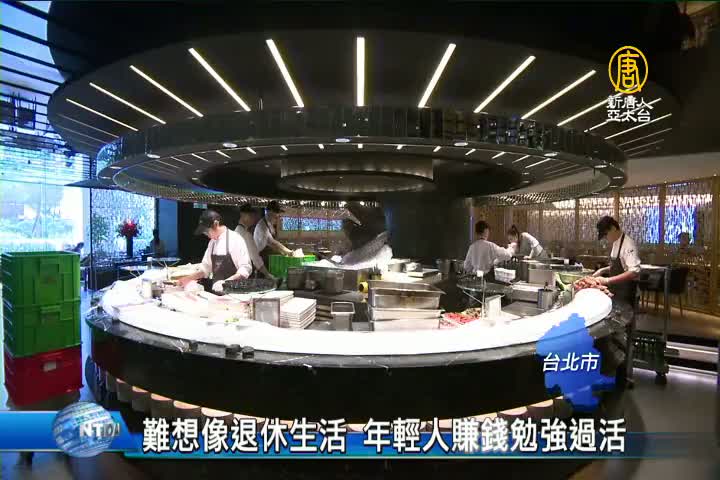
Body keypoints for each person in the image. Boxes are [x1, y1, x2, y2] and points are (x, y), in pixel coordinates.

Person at [177, 209, 252, 293]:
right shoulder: (212, 242)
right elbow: (205, 268)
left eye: (207, 231)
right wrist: (187, 279)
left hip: (234, 293)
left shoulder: (235, 239)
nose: (206, 235)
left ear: (216, 224)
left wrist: (226, 283)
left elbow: (245, 269)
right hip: (217, 293)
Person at [591, 216, 641, 305]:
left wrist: (607, 280)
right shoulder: (616, 242)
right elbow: (618, 266)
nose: (605, 238)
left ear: (613, 228)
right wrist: (602, 270)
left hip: (626, 292)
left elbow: (633, 272)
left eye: (606, 234)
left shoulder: (628, 244)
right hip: (615, 290)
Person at [235, 203, 274, 279]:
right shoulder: (245, 234)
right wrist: (268, 275)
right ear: (244, 215)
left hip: (238, 272)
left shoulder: (237, 230)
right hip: (245, 275)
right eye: (252, 216)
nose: (254, 219)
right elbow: (256, 258)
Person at [254, 200, 293, 266]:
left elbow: (273, 243)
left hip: (265, 257)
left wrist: (284, 251)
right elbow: (272, 243)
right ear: (269, 212)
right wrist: (288, 251)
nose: (278, 216)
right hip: (260, 258)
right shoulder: (262, 226)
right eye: (277, 212)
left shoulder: (268, 224)